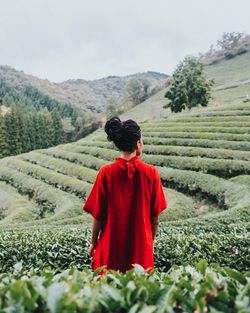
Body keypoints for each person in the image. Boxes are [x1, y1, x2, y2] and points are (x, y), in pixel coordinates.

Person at [82, 116, 168, 275]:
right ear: (138, 143)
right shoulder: (151, 173)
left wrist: (93, 243)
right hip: (141, 249)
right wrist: (152, 240)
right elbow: (154, 217)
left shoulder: (106, 173)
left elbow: (98, 216)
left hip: (110, 248)